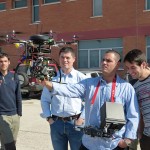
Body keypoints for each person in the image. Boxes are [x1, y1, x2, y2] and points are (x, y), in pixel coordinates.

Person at [39, 49, 140, 150]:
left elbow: (133, 116)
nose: (104, 62)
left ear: (117, 64)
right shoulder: (89, 83)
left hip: (113, 145)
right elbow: (69, 90)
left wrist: (127, 140)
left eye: (109, 61)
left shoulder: (126, 88)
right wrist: (48, 84)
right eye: (103, 60)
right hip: (89, 144)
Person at [40, 47, 87, 150]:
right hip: (57, 123)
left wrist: (82, 118)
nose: (65, 60)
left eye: (67, 57)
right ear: (59, 58)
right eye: (62, 57)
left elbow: (90, 101)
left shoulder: (82, 78)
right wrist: (49, 118)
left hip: (75, 123)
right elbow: (45, 100)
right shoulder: (52, 78)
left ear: (74, 59)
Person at [124, 49, 150, 150]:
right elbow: (139, 112)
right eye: (128, 68)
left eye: (133, 67)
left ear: (143, 64)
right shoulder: (134, 87)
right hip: (147, 136)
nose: (130, 72)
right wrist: (140, 132)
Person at [0, 52, 22, 150]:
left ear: (9, 62)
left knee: (10, 143)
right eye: (1, 61)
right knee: (10, 145)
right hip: (2, 115)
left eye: (5, 61)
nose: (3, 63)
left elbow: (18, 96)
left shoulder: (14, 77)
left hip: (15, 115)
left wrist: (19, 113)